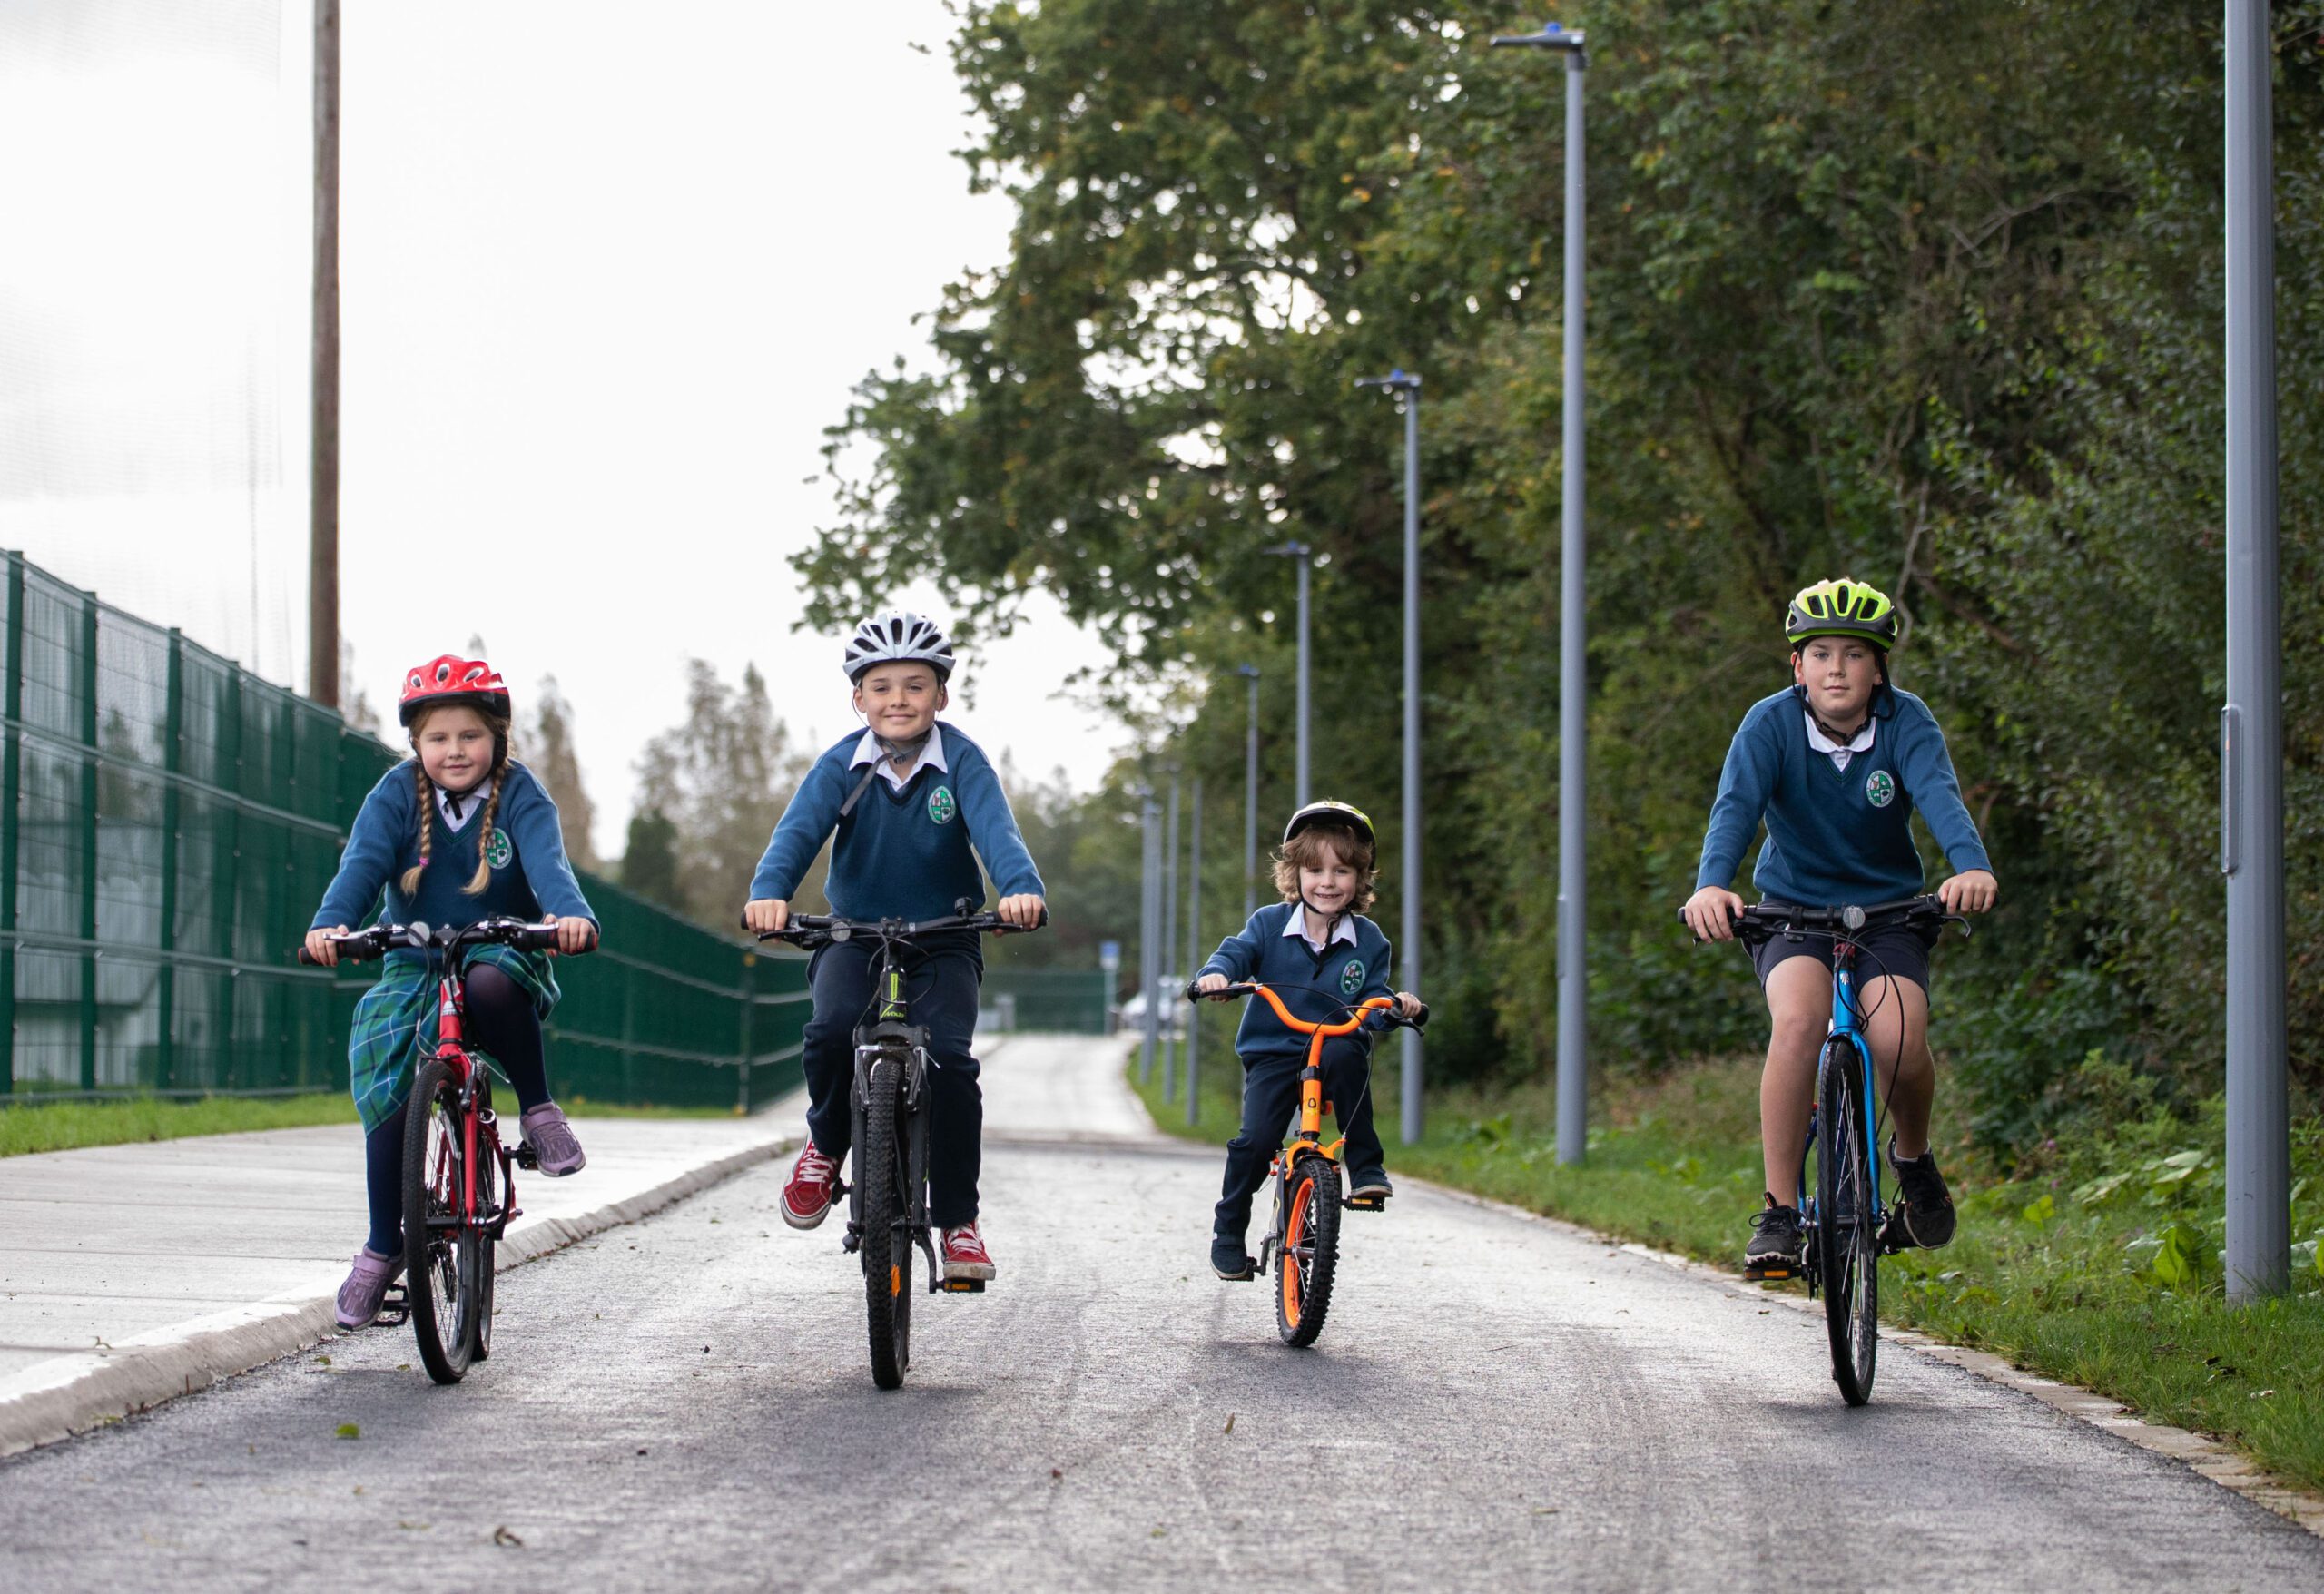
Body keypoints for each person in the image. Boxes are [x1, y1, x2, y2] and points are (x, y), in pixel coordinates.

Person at [1681, 578, 1997, 1279]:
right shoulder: (1769, 724)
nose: (1835, 668)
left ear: (1877, 668)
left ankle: (1911, 1159)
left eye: (1853, 655)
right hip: (1791, 912)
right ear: (1796, 666)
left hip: (1889, 914)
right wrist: (1711, 884)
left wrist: (1969, 868)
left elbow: (1942, 799)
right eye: (1819, 653)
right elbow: (1735, 807)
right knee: (1798, 1023)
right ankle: (1780, 1212)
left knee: (1900, 1039)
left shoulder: (1907, 722)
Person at [743, 611, 1046, 1282]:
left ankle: (959, 1223)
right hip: (855, 933)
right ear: (858, 699)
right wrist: (769, 892)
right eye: (881, 687)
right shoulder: (842, 765)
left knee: (951, 1065)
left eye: (915, 686)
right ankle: (825, 1146)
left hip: (946, 937)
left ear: (941, 696)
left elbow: (998, 833)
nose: (898, 700)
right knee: (827, 1029)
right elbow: (796, 834)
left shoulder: (961, 762)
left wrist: (1021, 889)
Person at [305, 655, 600, 1330]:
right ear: (416, 744)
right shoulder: (395, 795)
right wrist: (330, 925)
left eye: (469, 736)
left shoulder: (519, 793)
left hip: (499, 945)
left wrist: (568, 917)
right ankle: (384, 1248)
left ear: (497, 737)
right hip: (413, 958)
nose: (455, 750)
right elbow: (361, 867)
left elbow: (550, 866)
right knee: (386, 1081)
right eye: (438, 738)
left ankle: (539, 1109)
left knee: (492, 986)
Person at [1193, 801, 1423, 1282]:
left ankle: (1365, 1167)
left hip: (1334, 1048)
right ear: (1293, 874)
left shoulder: (1370, 940)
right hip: (1274, 1050)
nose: (1328, 881)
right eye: (1314, 869)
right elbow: (1236, 954)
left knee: (1347, 1049)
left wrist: (1394, 1007)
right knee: (1256, 1141)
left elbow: (1373, 996)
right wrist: (1216, 976)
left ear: (1360, 879)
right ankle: (1229, 1229)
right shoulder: (1268, 925)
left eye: (1342, 870)